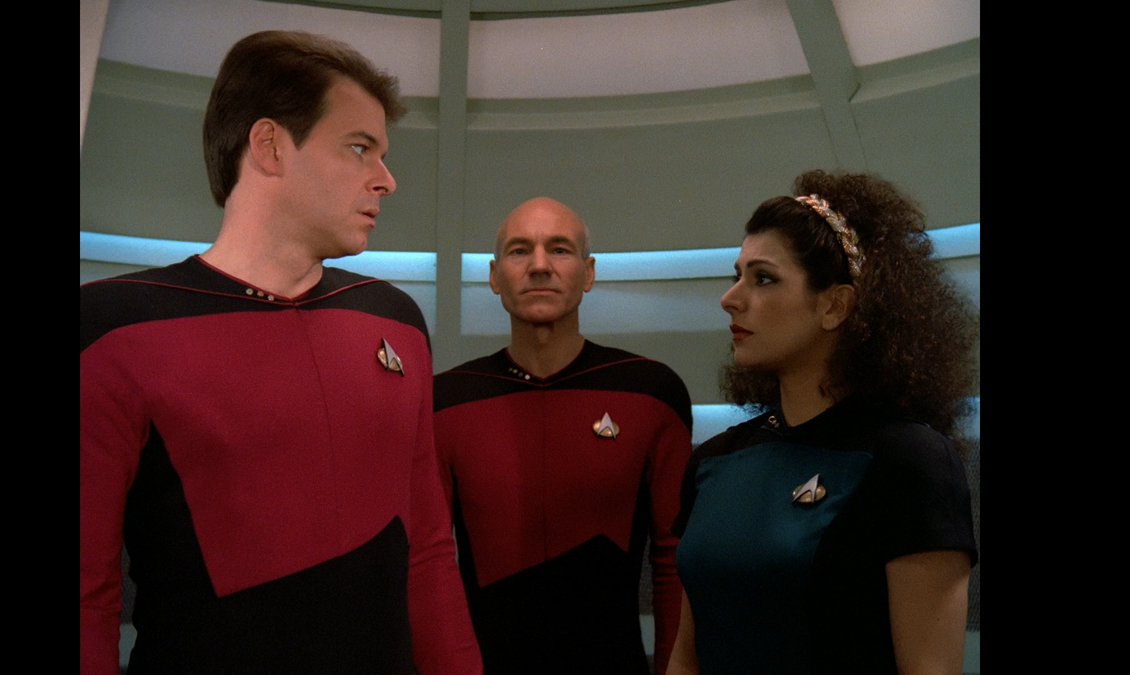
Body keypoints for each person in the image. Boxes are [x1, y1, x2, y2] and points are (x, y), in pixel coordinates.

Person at [80, 31, 481, 674]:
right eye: (359, 148)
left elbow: (429, 555)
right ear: (269, 145)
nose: (386, 180)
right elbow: (86, 596)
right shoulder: (112, 328)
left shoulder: (396, 322)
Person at [668, 171, 978, 675]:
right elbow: (686, 656)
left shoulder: (910, 462)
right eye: (736, 275)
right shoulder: (713, 461)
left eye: (763, 279)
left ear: (835, 305)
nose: (730, 298)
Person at [434, 197, 693, 674]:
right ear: (494, 276)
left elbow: (674, 559)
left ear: (588, 273)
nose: (539, 266)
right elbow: (426, 563)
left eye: (559, 249)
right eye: (519, 251)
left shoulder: (651, 393)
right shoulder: (446, 402)